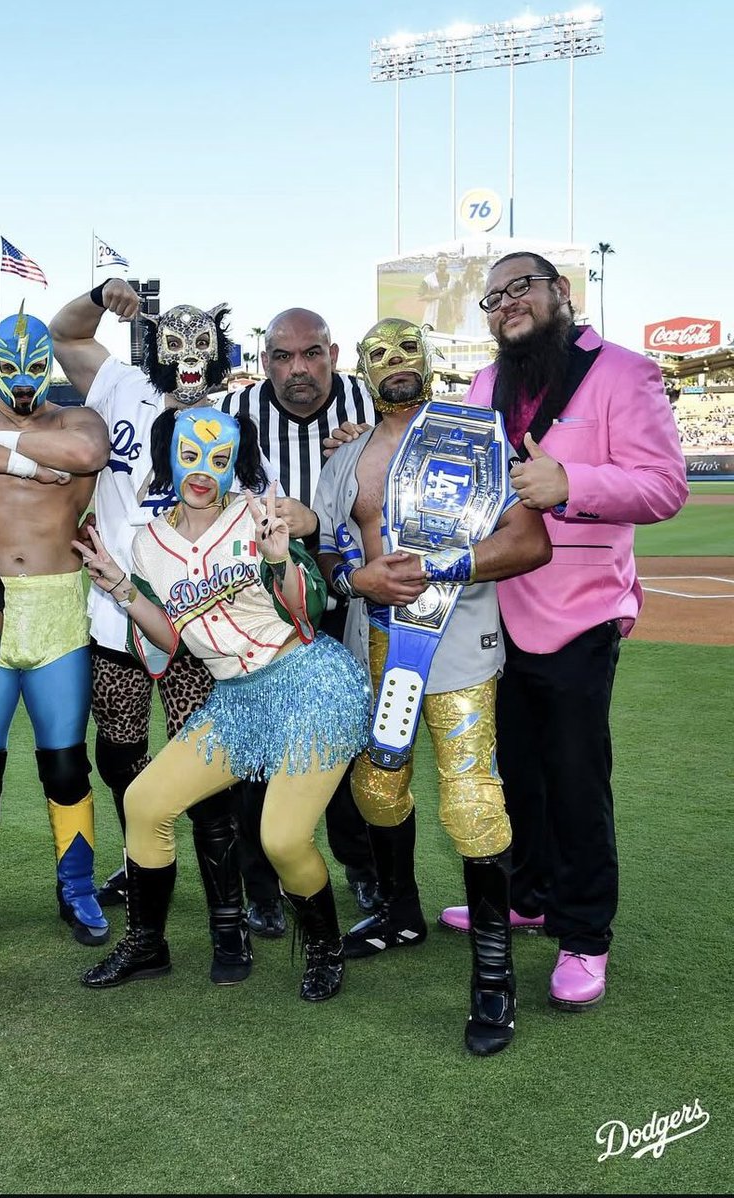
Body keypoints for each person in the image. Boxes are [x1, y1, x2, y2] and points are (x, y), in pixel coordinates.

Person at [437, 252, 688, 1011]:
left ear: (561, 294)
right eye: (492, 296)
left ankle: (584, 935)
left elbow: (665, 487)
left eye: (521, 287)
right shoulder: (485, 384)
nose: (506, 303)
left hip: (580, 607)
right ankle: (531, 895)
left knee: (577, 780)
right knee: (514, 768)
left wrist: (573, 484)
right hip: (491, 606)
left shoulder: (625, 373)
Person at [75, 408, 371, 1000]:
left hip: (308, 681)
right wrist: (117, 586)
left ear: (236, 460)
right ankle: (147, 942)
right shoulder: (147, 543)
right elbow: (172, 637)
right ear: (169, 457)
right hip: (234, 699)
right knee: (145, 801)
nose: (203, 471)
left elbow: (306, 614)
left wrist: (281, 558)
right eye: (190, 455)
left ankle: (324, 946)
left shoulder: (257, 514)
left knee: (283, 840)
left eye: (217, 458)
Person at [313, 316, 551, 1054]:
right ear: (362, 368)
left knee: (472, 795)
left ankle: (493, 975)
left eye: (408, 349)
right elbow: (323, 553)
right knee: (377, 789)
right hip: (371, 646)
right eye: (379, 355)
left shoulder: (478, 436)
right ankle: (399, 912)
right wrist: (355, 577)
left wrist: (447, 566)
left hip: (455, 648)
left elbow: (531, 541)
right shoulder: (343, 460)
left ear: (429, 360)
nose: (396, 364)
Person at [50, 279, 272, 985]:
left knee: (207, 783)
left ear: (219, 352)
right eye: (172, 343)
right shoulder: (117, 385)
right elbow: (64, 334)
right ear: (152, 348)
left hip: (198, 629)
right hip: (115, 616)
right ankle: (144, 878)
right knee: (120, 760)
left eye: (199, 344)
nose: (186, 357)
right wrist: (99, 295)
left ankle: (227, 926)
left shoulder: (235, 415)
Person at [0, 308, 112, 944]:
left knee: (65, 763)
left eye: (35, 364)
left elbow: (86, 452)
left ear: (50, 364)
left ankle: (76, 890)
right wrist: (24, 464)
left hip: (56, 609)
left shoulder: (77, 416)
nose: (22, 379)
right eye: (9, 364)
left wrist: (5, 443)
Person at [217, 307, 381, 935]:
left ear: (334, 354)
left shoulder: (370, 400)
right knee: (258, 750)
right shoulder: (238, 415)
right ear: (265, 363)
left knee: (347, 743)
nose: (298, 369)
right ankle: (261, 885)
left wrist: (316, 516)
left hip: (349, 601)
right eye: (282, 357)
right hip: (263, 611)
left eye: (311, 353)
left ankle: (363, 868)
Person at [418, 256, 454, 333]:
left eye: (444, 261)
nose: (442, 262)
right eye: (440, 261)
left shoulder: (452, 279)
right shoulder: (428, 279)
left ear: (448, 263)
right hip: (432, 316)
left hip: (445, 317)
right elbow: (420, 297)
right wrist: (438, 296)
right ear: (436, 263)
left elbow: (451, 298)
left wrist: (451, 313)